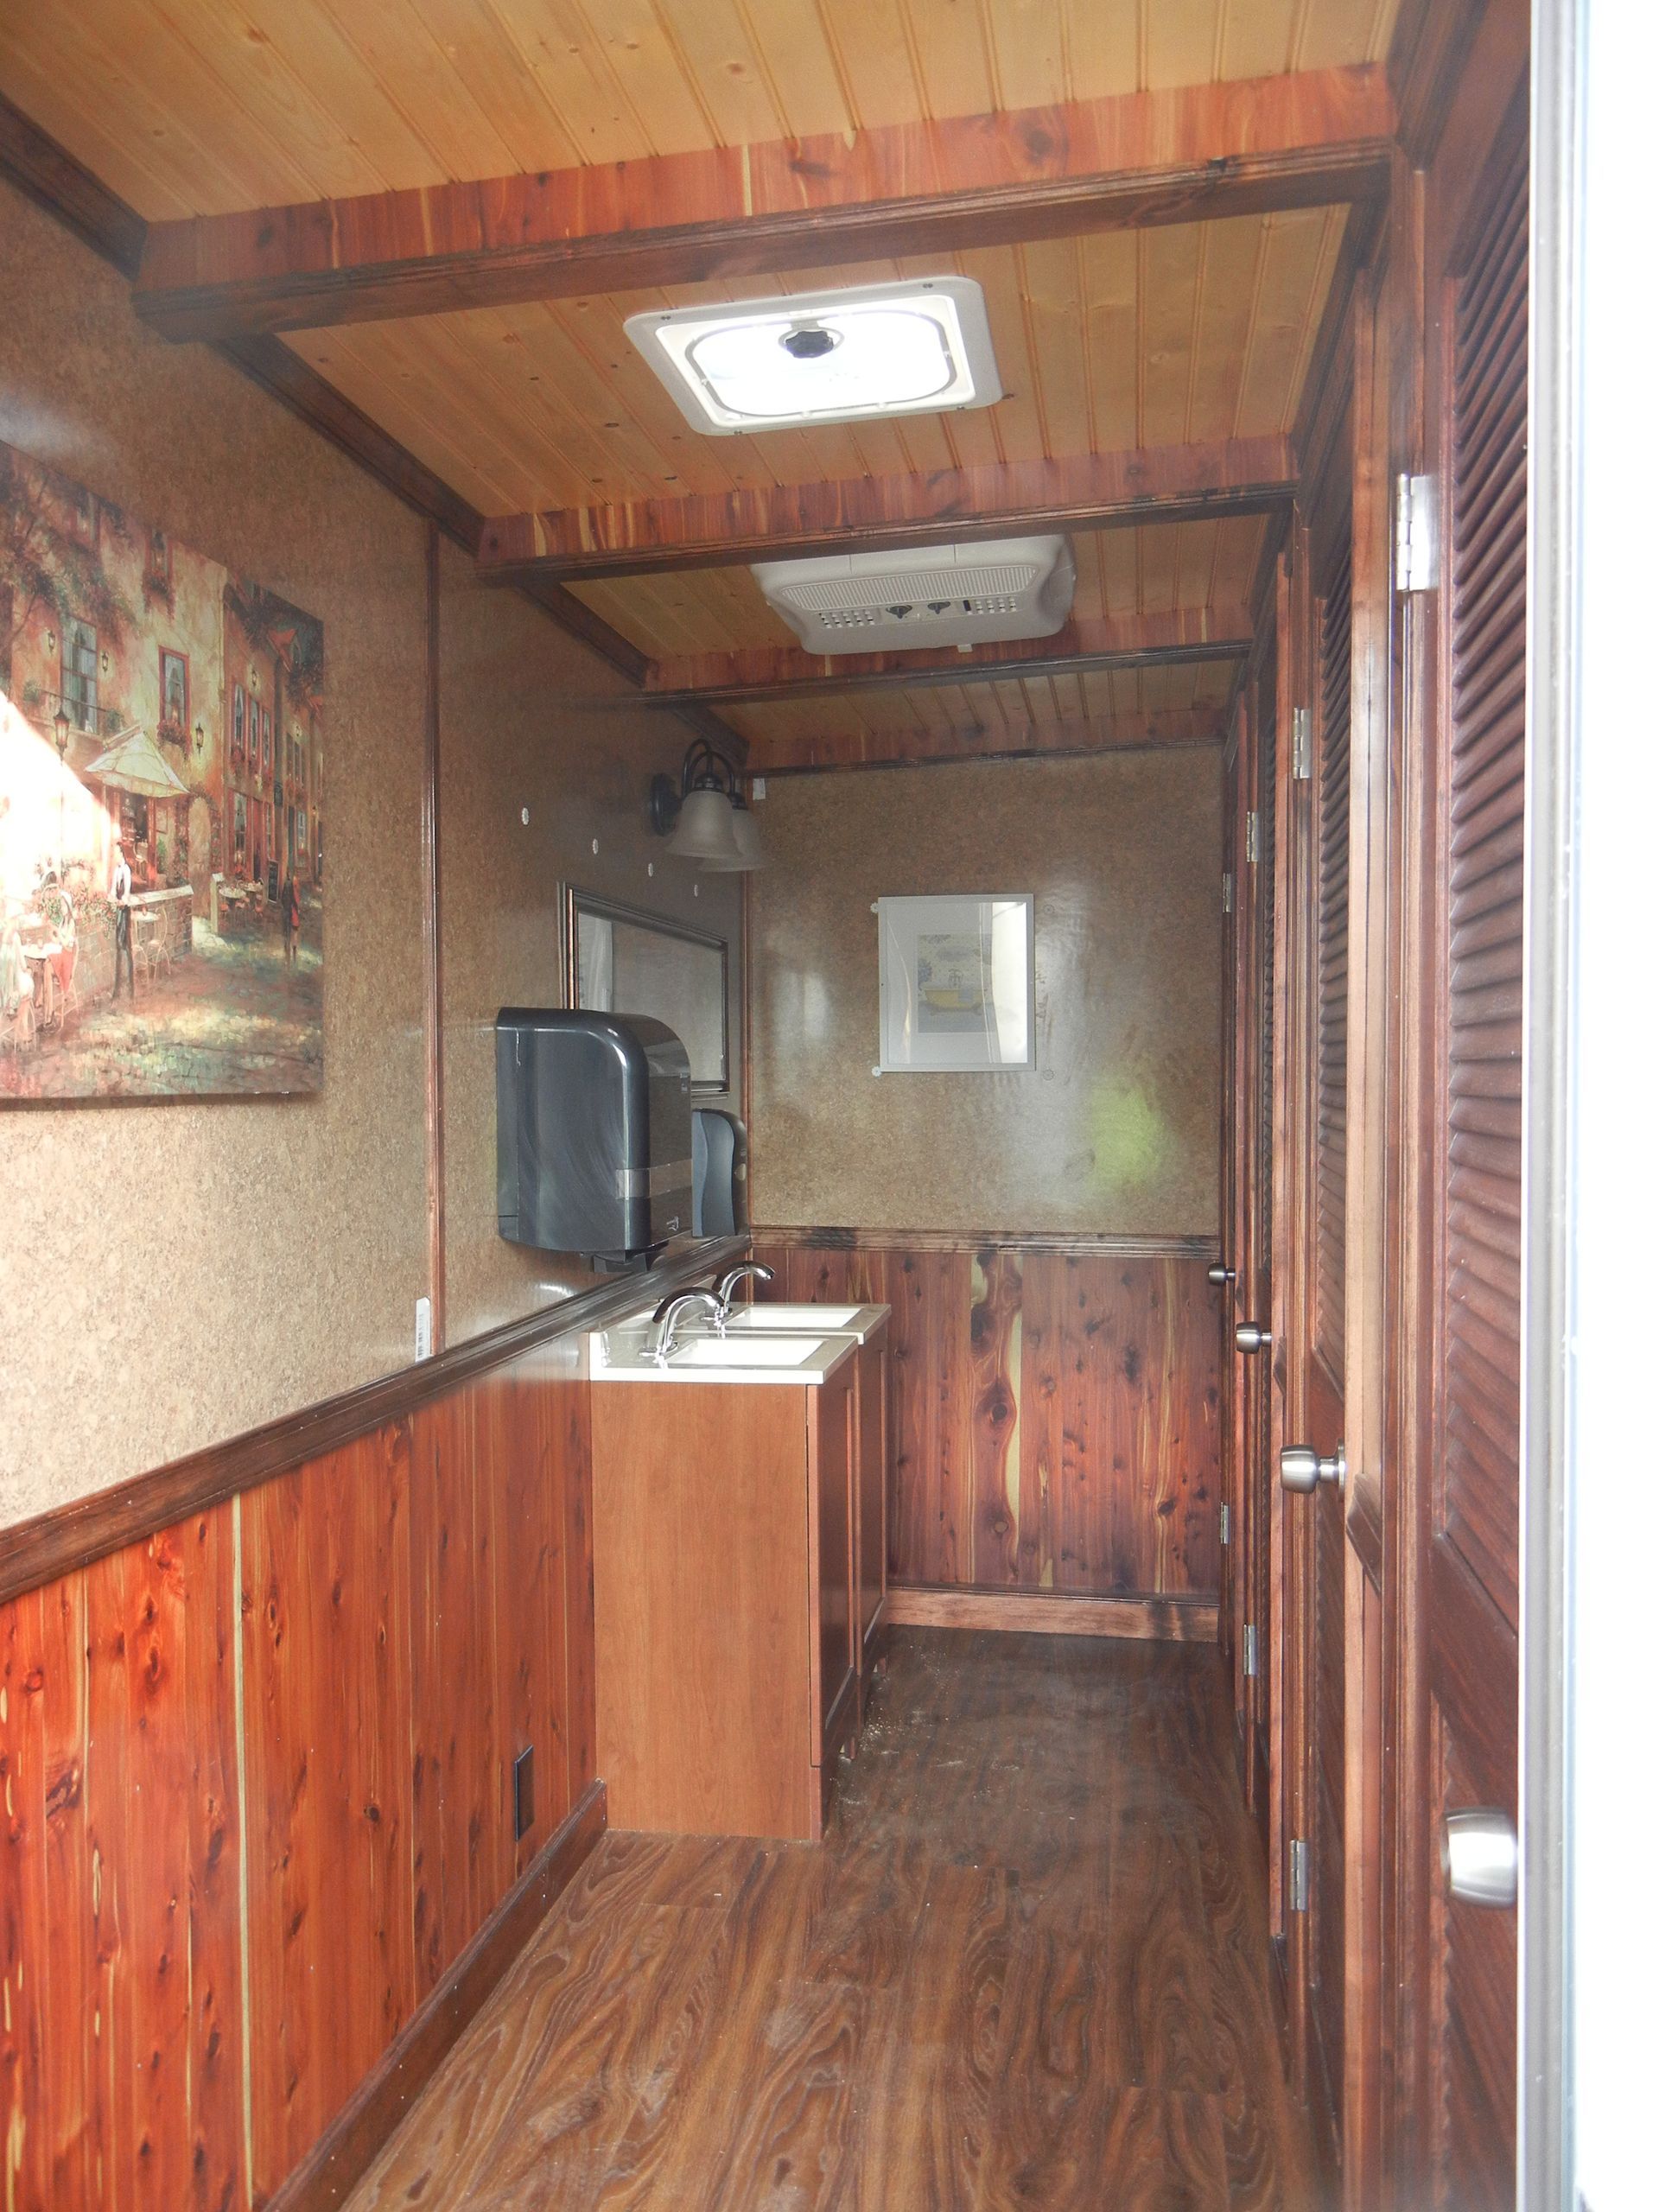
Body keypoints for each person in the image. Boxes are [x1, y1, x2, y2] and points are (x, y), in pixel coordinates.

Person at [111, 841, 134, 999]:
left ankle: (128, 986)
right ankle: (118, 987)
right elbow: (113, 890)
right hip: (117, 910)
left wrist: (121, 901)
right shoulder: (116, 871)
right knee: (119, 947)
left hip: (124, 911)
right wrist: (111, 897)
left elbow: (126, 894)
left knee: (124, 946)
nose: (114, 856)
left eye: (116, 853)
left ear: (121, 853)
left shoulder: (126, 871)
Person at [281, 871, 301, 969]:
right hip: (293, 912)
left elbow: (282, 898)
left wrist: (285, 906)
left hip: (287, 911)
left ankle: (288, 952)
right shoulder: (294, 889)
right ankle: (293, 952)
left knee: (288, 932)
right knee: (294, 931)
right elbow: (296, 900)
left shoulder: (287, 884)